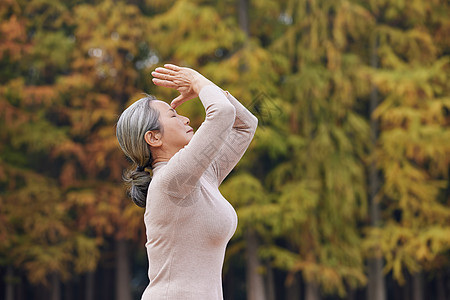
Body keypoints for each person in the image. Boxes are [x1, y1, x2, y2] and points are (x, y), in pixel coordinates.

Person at [116, 64, 258, 299]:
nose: (184, 118)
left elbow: (245, 125)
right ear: (153, 137)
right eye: (173, 115)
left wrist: (207, 86)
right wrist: (197, 80)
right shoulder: (170, 181)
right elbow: (222, 114)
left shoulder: (202, 174)